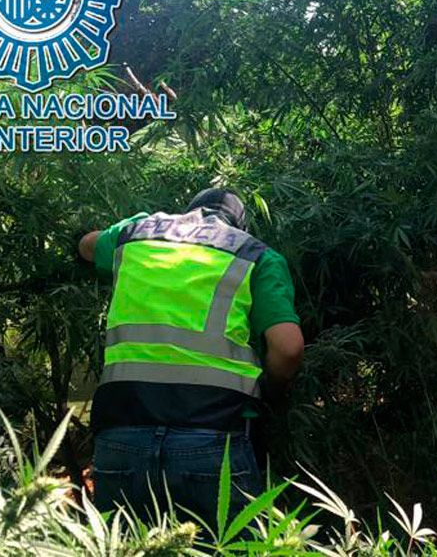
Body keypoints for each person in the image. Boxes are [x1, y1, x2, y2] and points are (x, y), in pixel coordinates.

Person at [76, 187, 304, 527]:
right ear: (240, 225)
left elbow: (86, 245)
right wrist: (271, 391)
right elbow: (288, 348)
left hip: (122, 433)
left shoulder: (135, 233)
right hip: (213, 435)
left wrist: (98, 237)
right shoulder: (256, 255)